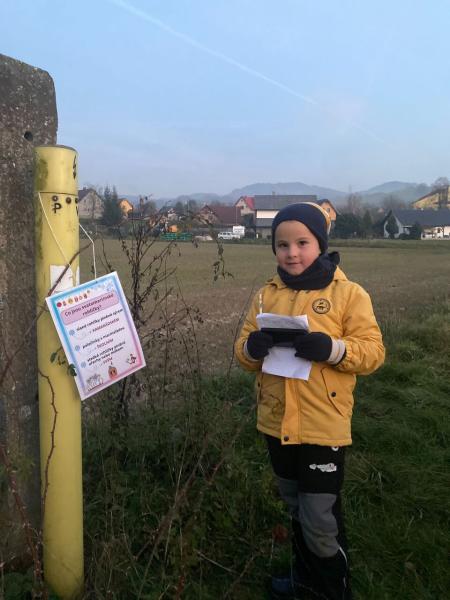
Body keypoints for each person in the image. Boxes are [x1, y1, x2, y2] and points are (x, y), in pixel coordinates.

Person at [234, 203, 385, 599]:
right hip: (276, 423)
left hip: (323, 426)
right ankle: (304, 583)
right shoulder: (265, 296)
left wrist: (333, 349)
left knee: (320, 520)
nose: (292, 253)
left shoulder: (348, 294)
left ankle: (332, 591)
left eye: (302, 243)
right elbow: (243, 354)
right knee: (297, 510)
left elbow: (373, 353)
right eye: (282, 245)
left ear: (320, 243)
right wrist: (251, 348)